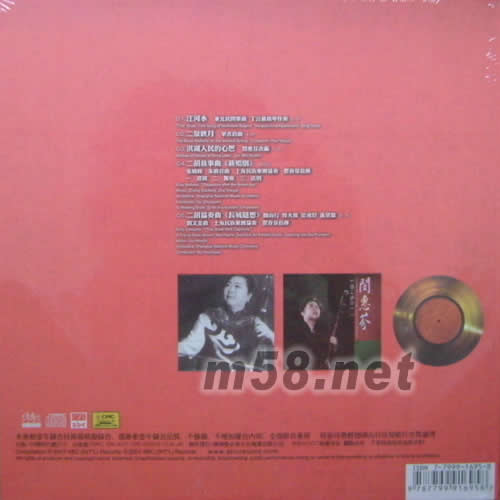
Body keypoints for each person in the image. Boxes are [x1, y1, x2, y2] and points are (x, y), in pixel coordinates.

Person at [178, 275, 274, 369]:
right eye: (228, 285)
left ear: (249, 296)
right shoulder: (208, 317)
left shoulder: (255, 323)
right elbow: (190, 346)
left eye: (237, 286)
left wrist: (270, 335)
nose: (231, 289)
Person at [286, 296, 338, 370]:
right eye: (311, 306)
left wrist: (333, 346)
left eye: (317, 307)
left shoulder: (319, 333)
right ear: (302, 313)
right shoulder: (295, 330)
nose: (315, 308)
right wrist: (326, 340)